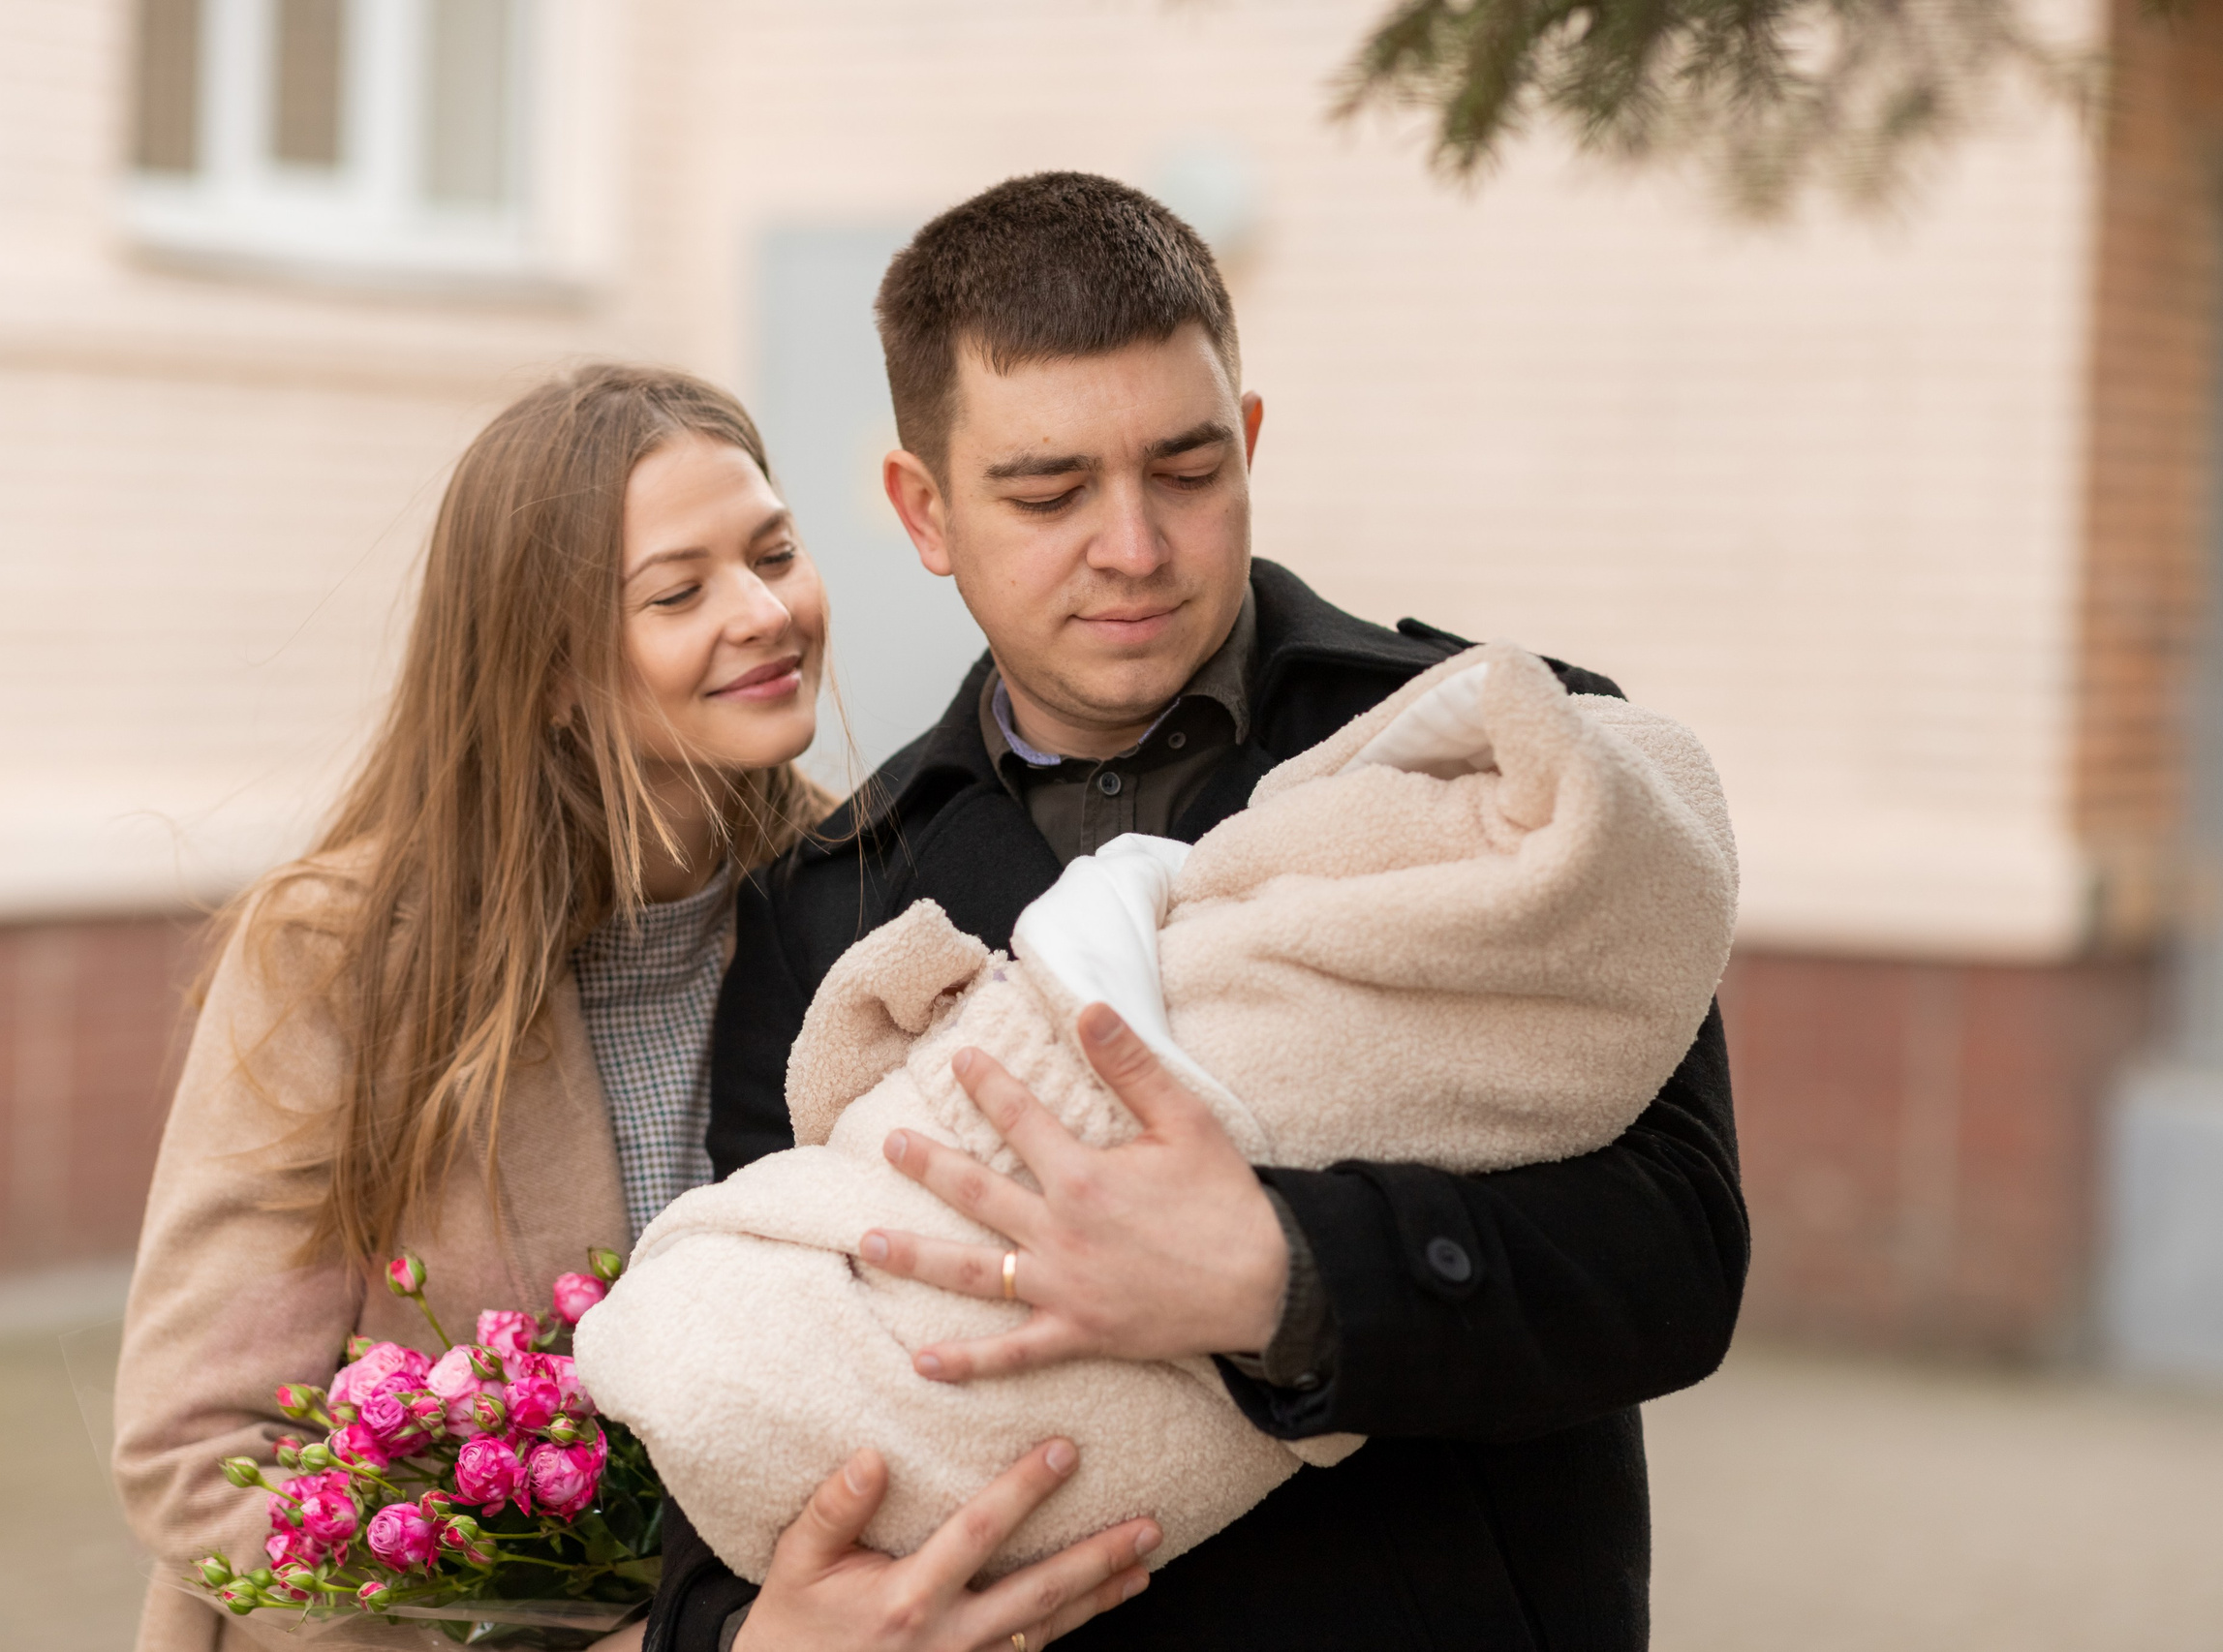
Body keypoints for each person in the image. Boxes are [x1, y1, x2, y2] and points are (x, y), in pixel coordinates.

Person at [645, 173, 1749, 1652]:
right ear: (923, 508)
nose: (1136, 547)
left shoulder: (1507, 762)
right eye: (1048, 492)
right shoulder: (820, 906)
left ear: (1248, 442)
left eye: (1187, 470)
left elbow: (1678, 1260)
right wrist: (741, 1640)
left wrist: (1279, 1273)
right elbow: (762, 1361)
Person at [114, 362, 845, 1652]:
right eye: (680, 590)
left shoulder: (872, 910)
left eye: (774, 553)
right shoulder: (345, 956)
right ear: (550, 666)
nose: (763, 610)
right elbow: (198, 1445)